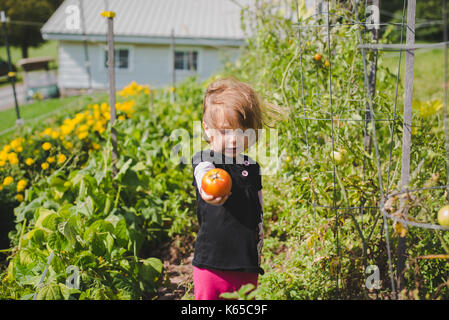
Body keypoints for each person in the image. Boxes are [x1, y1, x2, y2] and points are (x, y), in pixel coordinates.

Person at [191, 77, 285, 300]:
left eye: (243, 131)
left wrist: (259, 239)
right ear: (208, 130)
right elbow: (203, 174)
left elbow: (258, 208)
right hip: (211, 262)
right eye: (225, 132)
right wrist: (208, 192)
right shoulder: (206, 160)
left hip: (246, 262)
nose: (234, 139)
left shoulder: (252, 167)